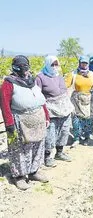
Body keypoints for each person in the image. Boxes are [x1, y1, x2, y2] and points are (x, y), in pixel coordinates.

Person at [0, 55, 50, 190]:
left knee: (37, 145)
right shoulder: (8, 83)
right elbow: (4, 105)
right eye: (21, 66)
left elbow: (40, 100)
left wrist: (46, 115)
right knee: (19, 149)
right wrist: (9, 124)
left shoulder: (31, 81)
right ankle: (19, 176)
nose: (24, 69)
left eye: (25, 66)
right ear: (15, 67)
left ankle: (34, 171)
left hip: (37, 118)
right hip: (20, 121)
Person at [36, 55, 74, 167]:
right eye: (52, 64)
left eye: (56, 64)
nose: (54, 67)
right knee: (50, 133)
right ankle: (47, 157)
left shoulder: (59, 75)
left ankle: (60, 152)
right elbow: (37, 94)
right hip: (51, 109)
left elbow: (64, 90)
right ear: (47, 64)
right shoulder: (40, 77)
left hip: (64, 107)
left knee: (64, 130)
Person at [66, 56, 93, 146]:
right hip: (76, 99)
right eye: (82, 63)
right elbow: (65, 85)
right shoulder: (73, 74)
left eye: (86, 63)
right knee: (76, 119)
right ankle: (76, 138)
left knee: (89, 119)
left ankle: (86, 137)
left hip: (89, 99)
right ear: (79, 63)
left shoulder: (92, 74)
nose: (84, 65)